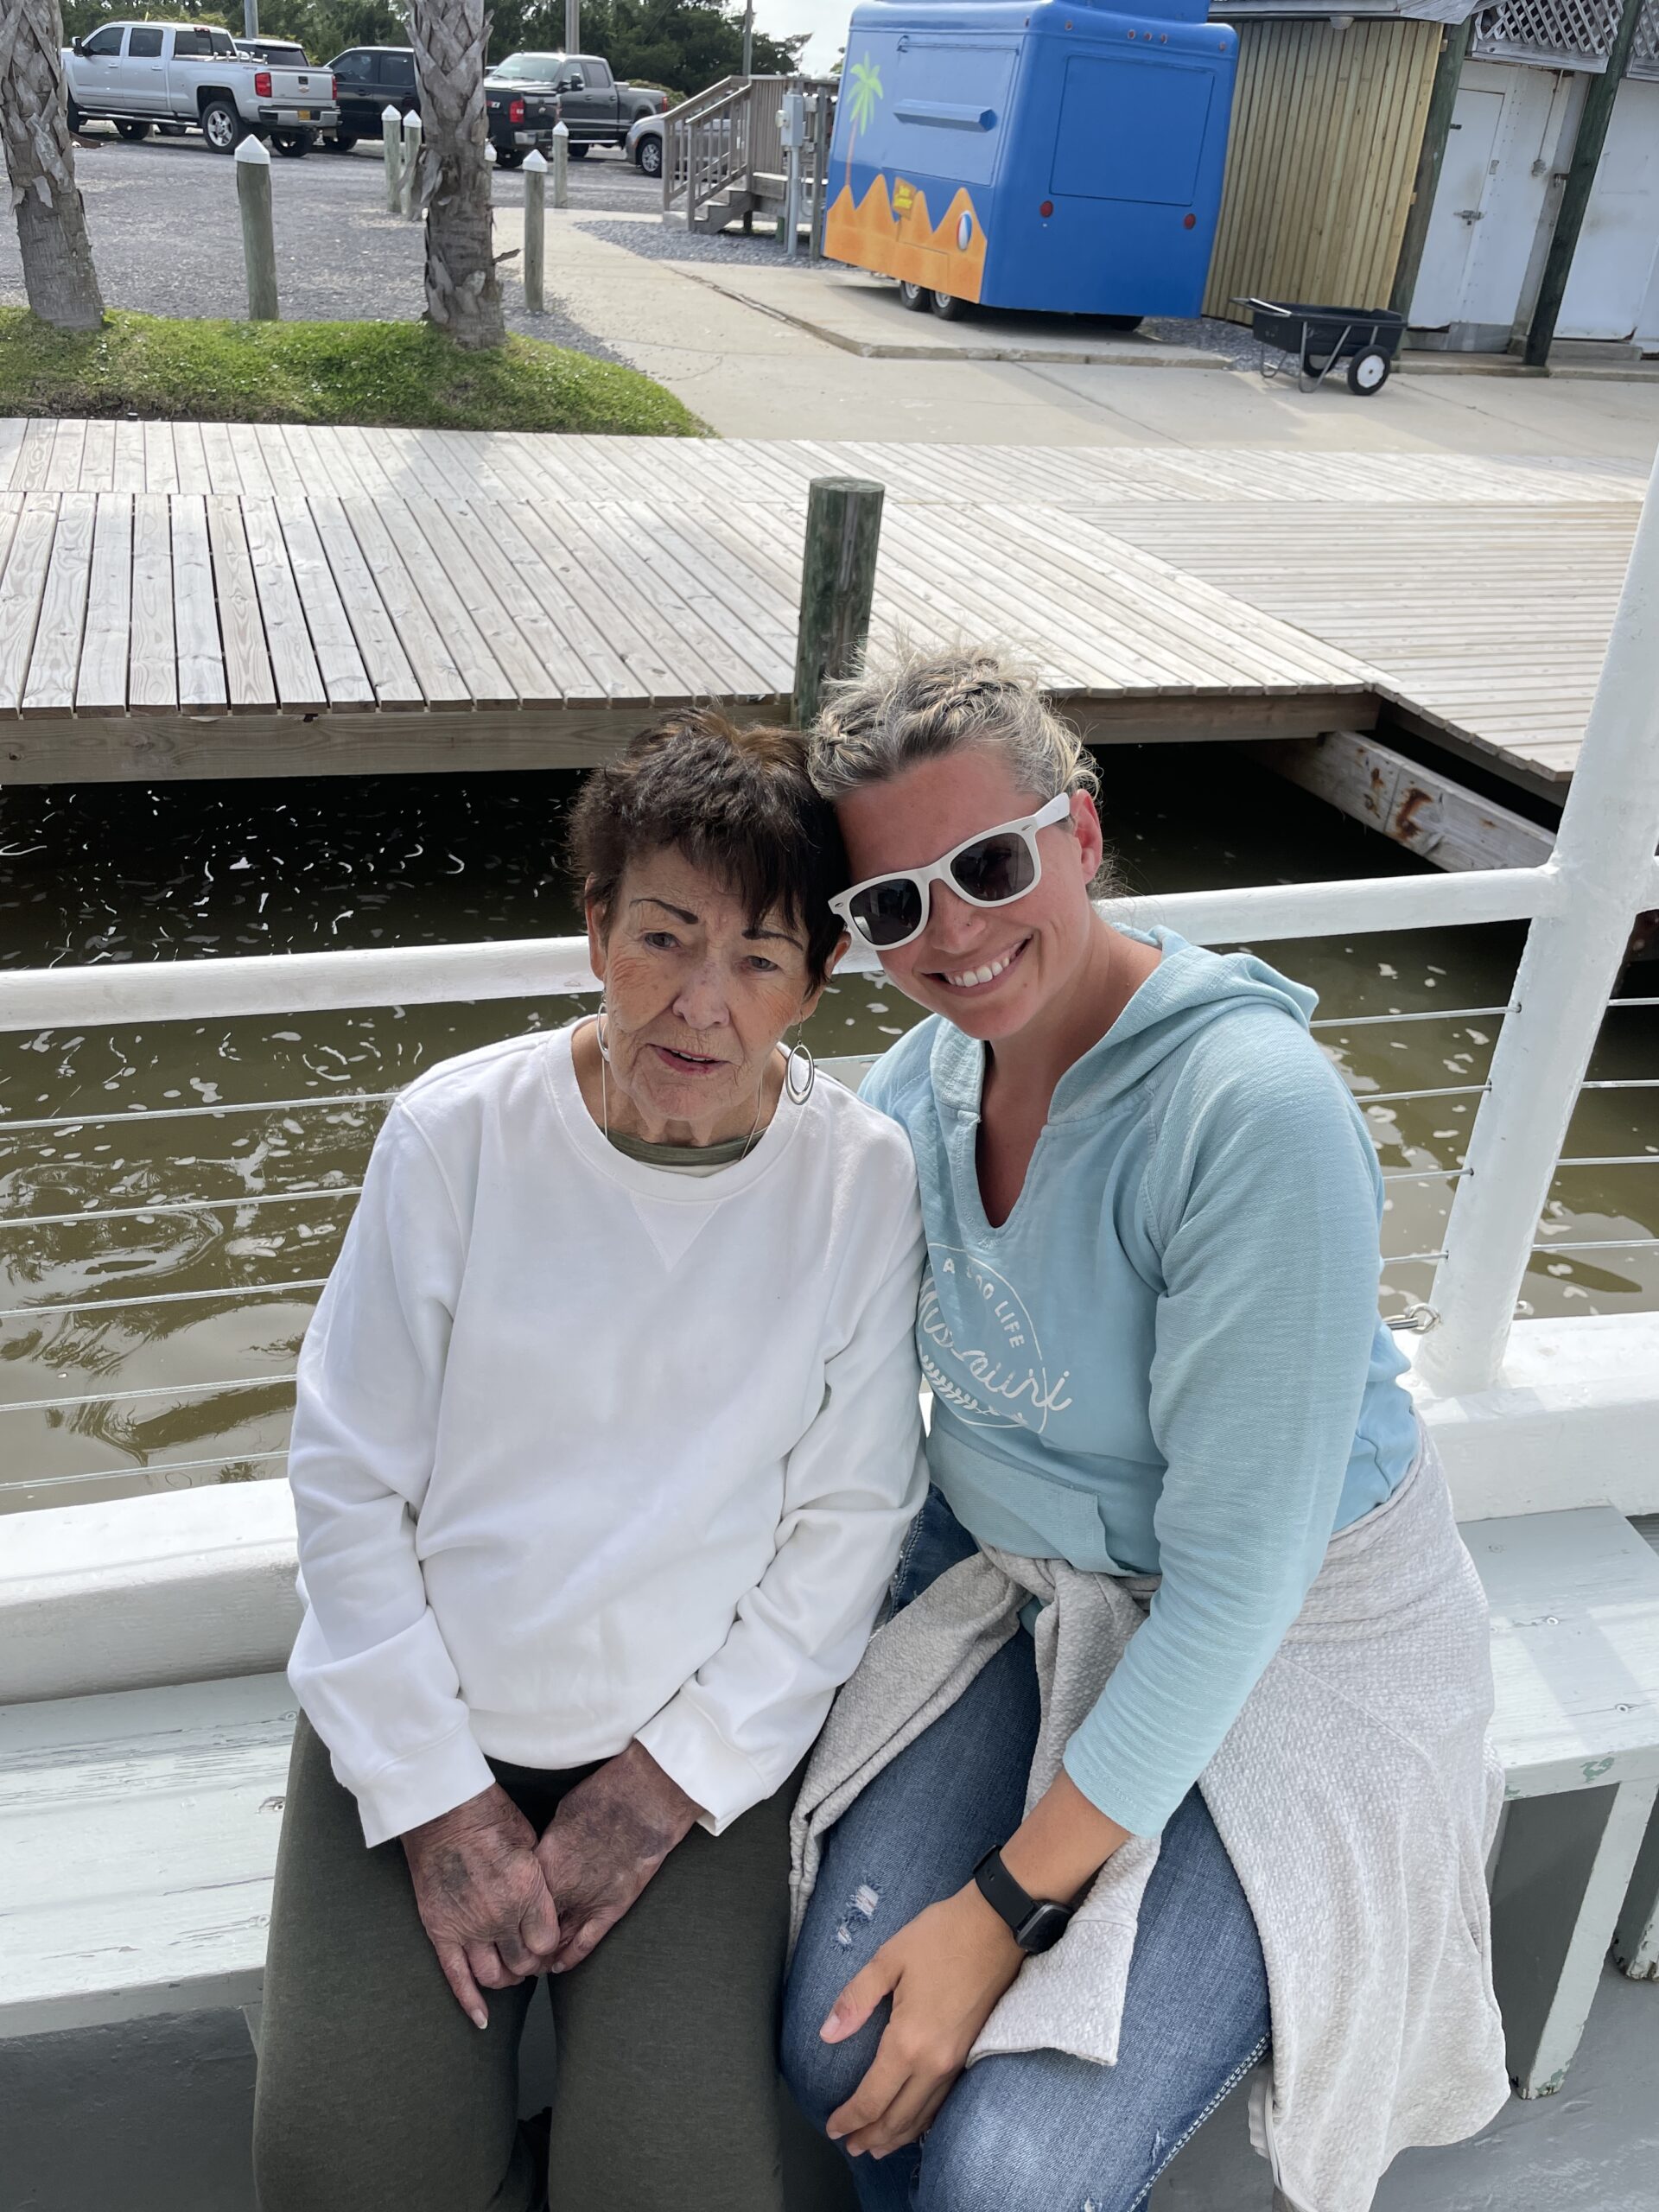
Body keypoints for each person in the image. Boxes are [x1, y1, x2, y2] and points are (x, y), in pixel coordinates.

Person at [782, 649, 1508, 2212]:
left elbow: (1238, 1583)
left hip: (1291, 1644)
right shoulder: (917, 1089)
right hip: (1031, 1590)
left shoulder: (1248, 1117)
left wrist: (998, 1910)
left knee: (1009, 2178)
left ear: (1085, 838)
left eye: (988, 865)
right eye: (893, 906)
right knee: (839, 2049)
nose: (955, 934)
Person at [252, 713, 928, 2212]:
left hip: (687, 1757)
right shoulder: (454, 1137)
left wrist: (661, 1787)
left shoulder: (858, 1181)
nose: (701, 1004)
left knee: (675, 2186)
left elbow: (850, 1518)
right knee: (346, 2177)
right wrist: (436, 1796)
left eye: (759, 957)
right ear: (594, 931)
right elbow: (347, 1481)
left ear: (818, 983)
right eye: (663, 938)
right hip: (431, 1722)